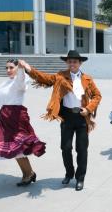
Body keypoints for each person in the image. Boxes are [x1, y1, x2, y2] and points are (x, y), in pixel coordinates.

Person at [19, 50, 102, 191]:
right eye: (69, 61)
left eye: (75, 61)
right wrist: (28, 69)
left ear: (80, 63)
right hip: (67, 117)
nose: (72, 64)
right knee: (65, 148)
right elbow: (44, 78)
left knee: (82, 149)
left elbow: (97, 95)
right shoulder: (60, 76)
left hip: (82, 118)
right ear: (67, 63)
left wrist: (88, 109)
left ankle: (80, 178)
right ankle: (69, 173)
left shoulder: (87, 79)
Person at [0, 59, 46, 186]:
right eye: (7, 68)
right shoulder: (6, 83)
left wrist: (21, 68)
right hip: (5, 117)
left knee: (19, 147)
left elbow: (21, 79)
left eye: (11, 67)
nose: (8, 70)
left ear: (17, 68)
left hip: (17, 117)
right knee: (13, 148)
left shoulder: (19, 81)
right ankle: (28, 173)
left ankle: (29, 174)